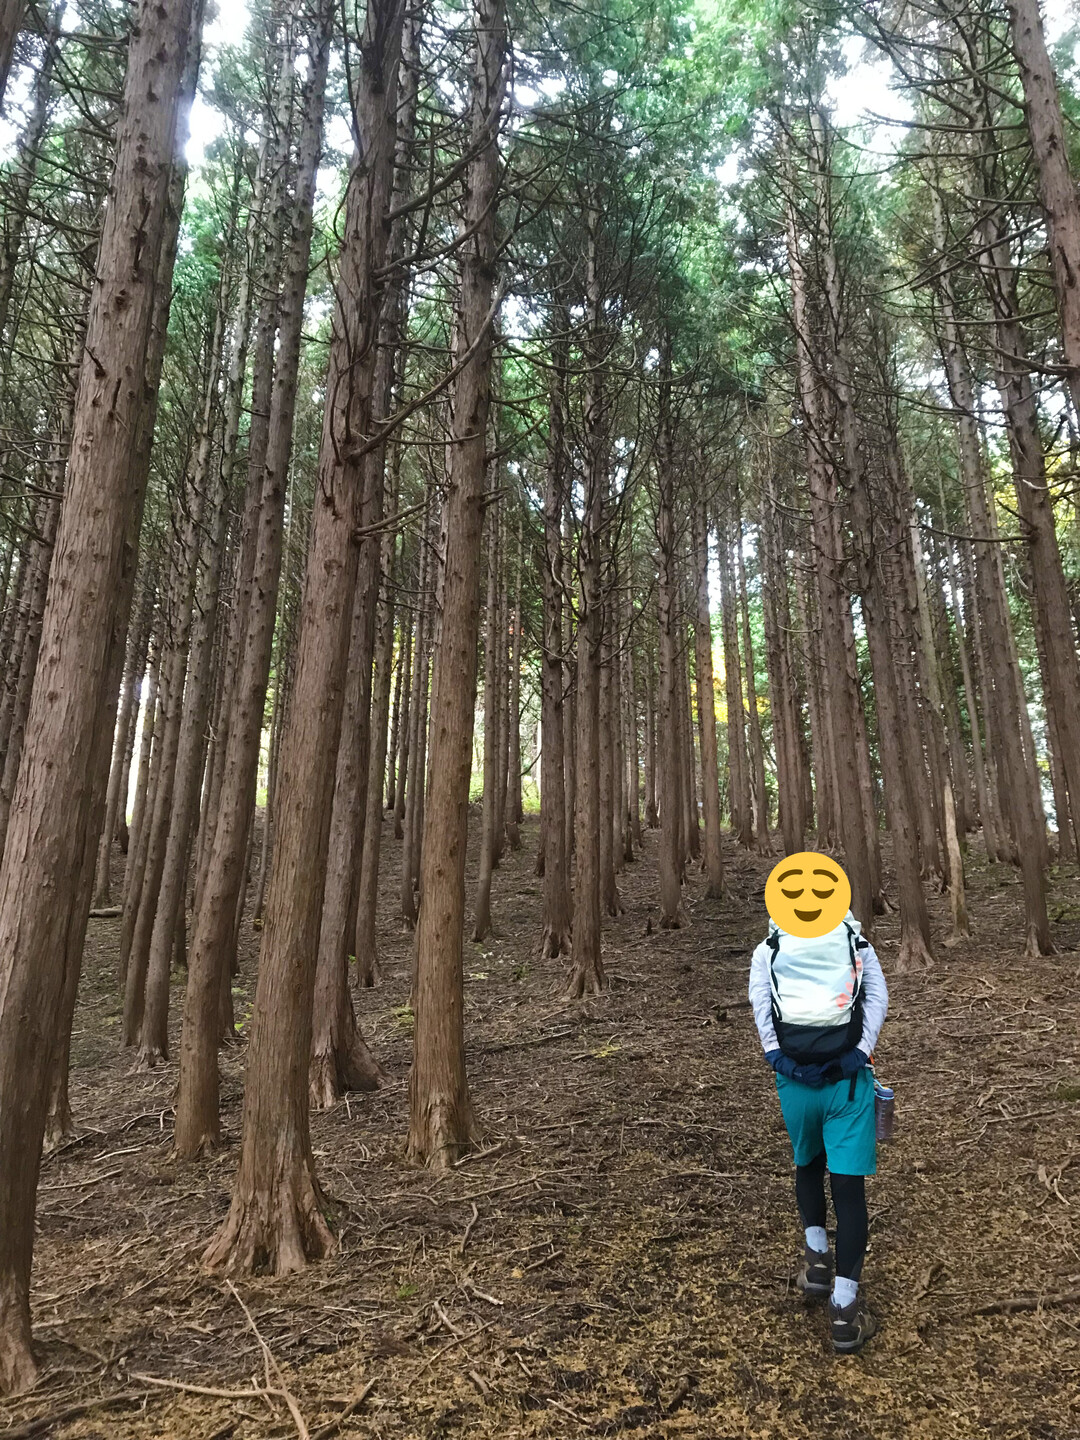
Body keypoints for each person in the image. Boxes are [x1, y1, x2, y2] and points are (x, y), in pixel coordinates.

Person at [749, 899, 888, 1354]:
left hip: (795, 1084)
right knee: (848, 1190)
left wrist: (780, 1059)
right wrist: (858, 1054)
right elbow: (876, 1000)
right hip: (847, 1084)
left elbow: (761, 1005)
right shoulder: (856, 943)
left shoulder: (768, 948)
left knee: (807, 1163)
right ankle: (844, 1312)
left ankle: (816, 1265)